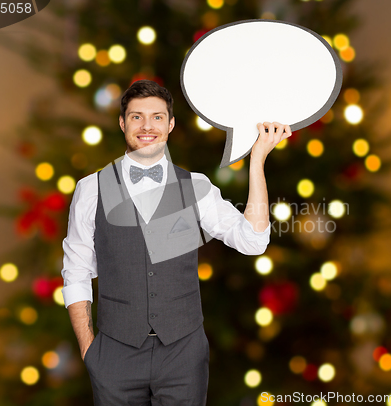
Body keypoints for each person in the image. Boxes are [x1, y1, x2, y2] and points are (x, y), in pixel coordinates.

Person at [61, 79, 292, 405]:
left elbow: (252, 241)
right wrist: (89, 350)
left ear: (170, 124)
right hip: (114, 354)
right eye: (136, 116)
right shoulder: (91, 188)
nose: (146, 126)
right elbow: (76, 271)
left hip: (183, 355)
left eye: (157, 117)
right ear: (122, 123)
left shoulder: (196, 187)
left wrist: (257, 161)